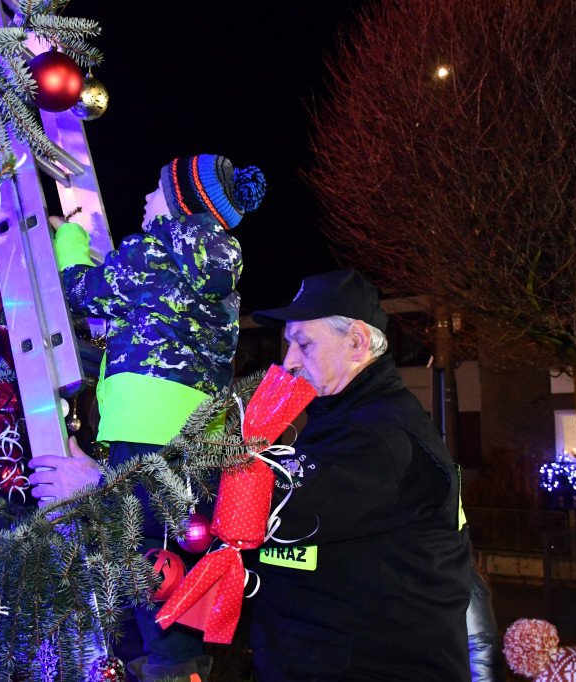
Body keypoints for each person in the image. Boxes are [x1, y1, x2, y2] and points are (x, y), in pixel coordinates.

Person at [30, 154, 266, 682]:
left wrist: (69, 240)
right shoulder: (212, 266)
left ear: (181, 204)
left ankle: (161, 671)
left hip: (142, 430)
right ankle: (176, 667)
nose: (144, 199)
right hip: (194, 440)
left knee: (138, 568)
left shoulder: (159, 248)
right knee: (166, 570)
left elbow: (85, 290)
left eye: (155, 190)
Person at [246, 269, 473, 681]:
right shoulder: (347, 420)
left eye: (303, 343)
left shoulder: (379, 438)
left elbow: (265, 508)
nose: (287, 362)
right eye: (288, 344)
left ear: (356, 342)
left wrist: (115, 485)